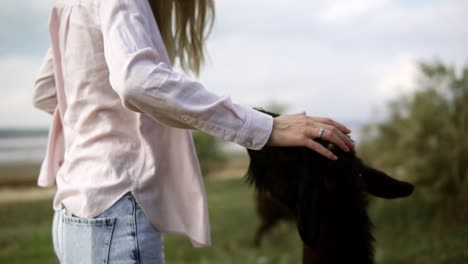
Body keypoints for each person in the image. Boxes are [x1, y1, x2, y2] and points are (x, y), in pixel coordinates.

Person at [32, 0, 355, 263]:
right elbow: (135, 81)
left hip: (72, 219)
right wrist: (265, 128)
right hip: (117, 210)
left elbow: (47, 91)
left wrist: (101, 129)